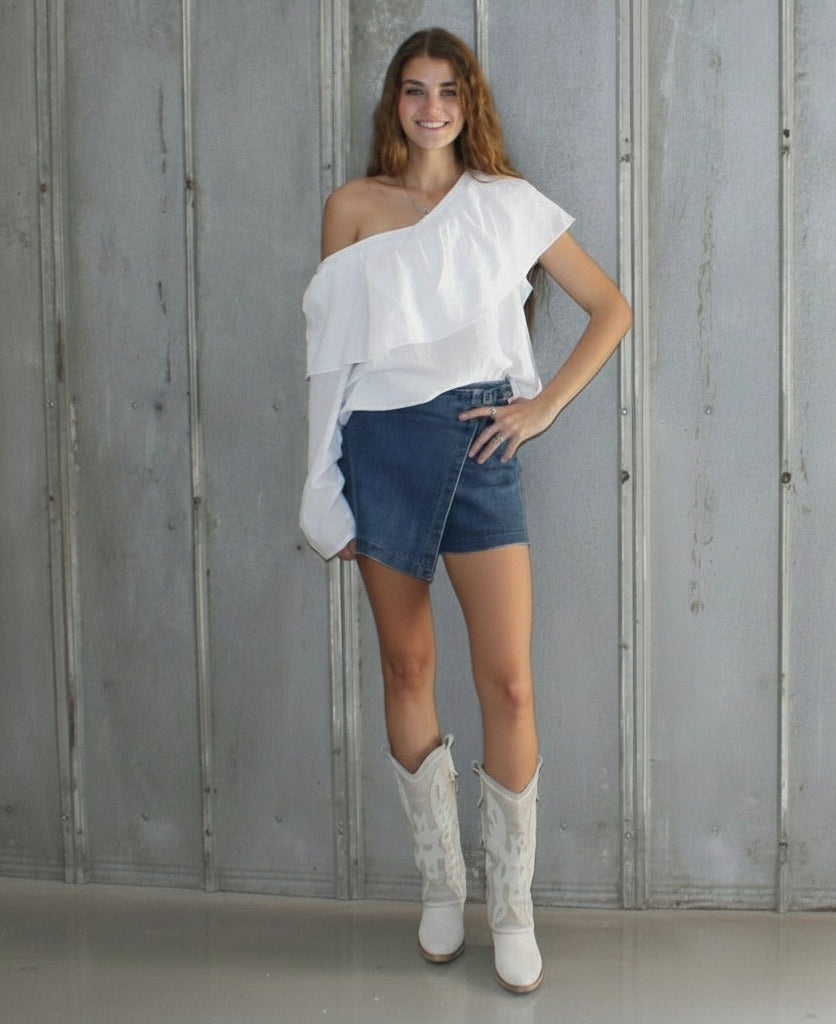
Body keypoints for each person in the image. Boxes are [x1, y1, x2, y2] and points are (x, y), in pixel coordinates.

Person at [300, 27, 631, 994]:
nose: (432, 106)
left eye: (449, 89)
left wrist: (542, 408)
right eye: (415, 89)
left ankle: (513, 906)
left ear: (468, 99)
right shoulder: (352, 208)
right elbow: (332, 365)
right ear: (394, 103)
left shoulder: (508, 204)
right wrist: (320, 486)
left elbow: (609, 306)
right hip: (380, 445)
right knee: (407, 666)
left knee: (512, 685)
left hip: (481, 443)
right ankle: (442, 886)